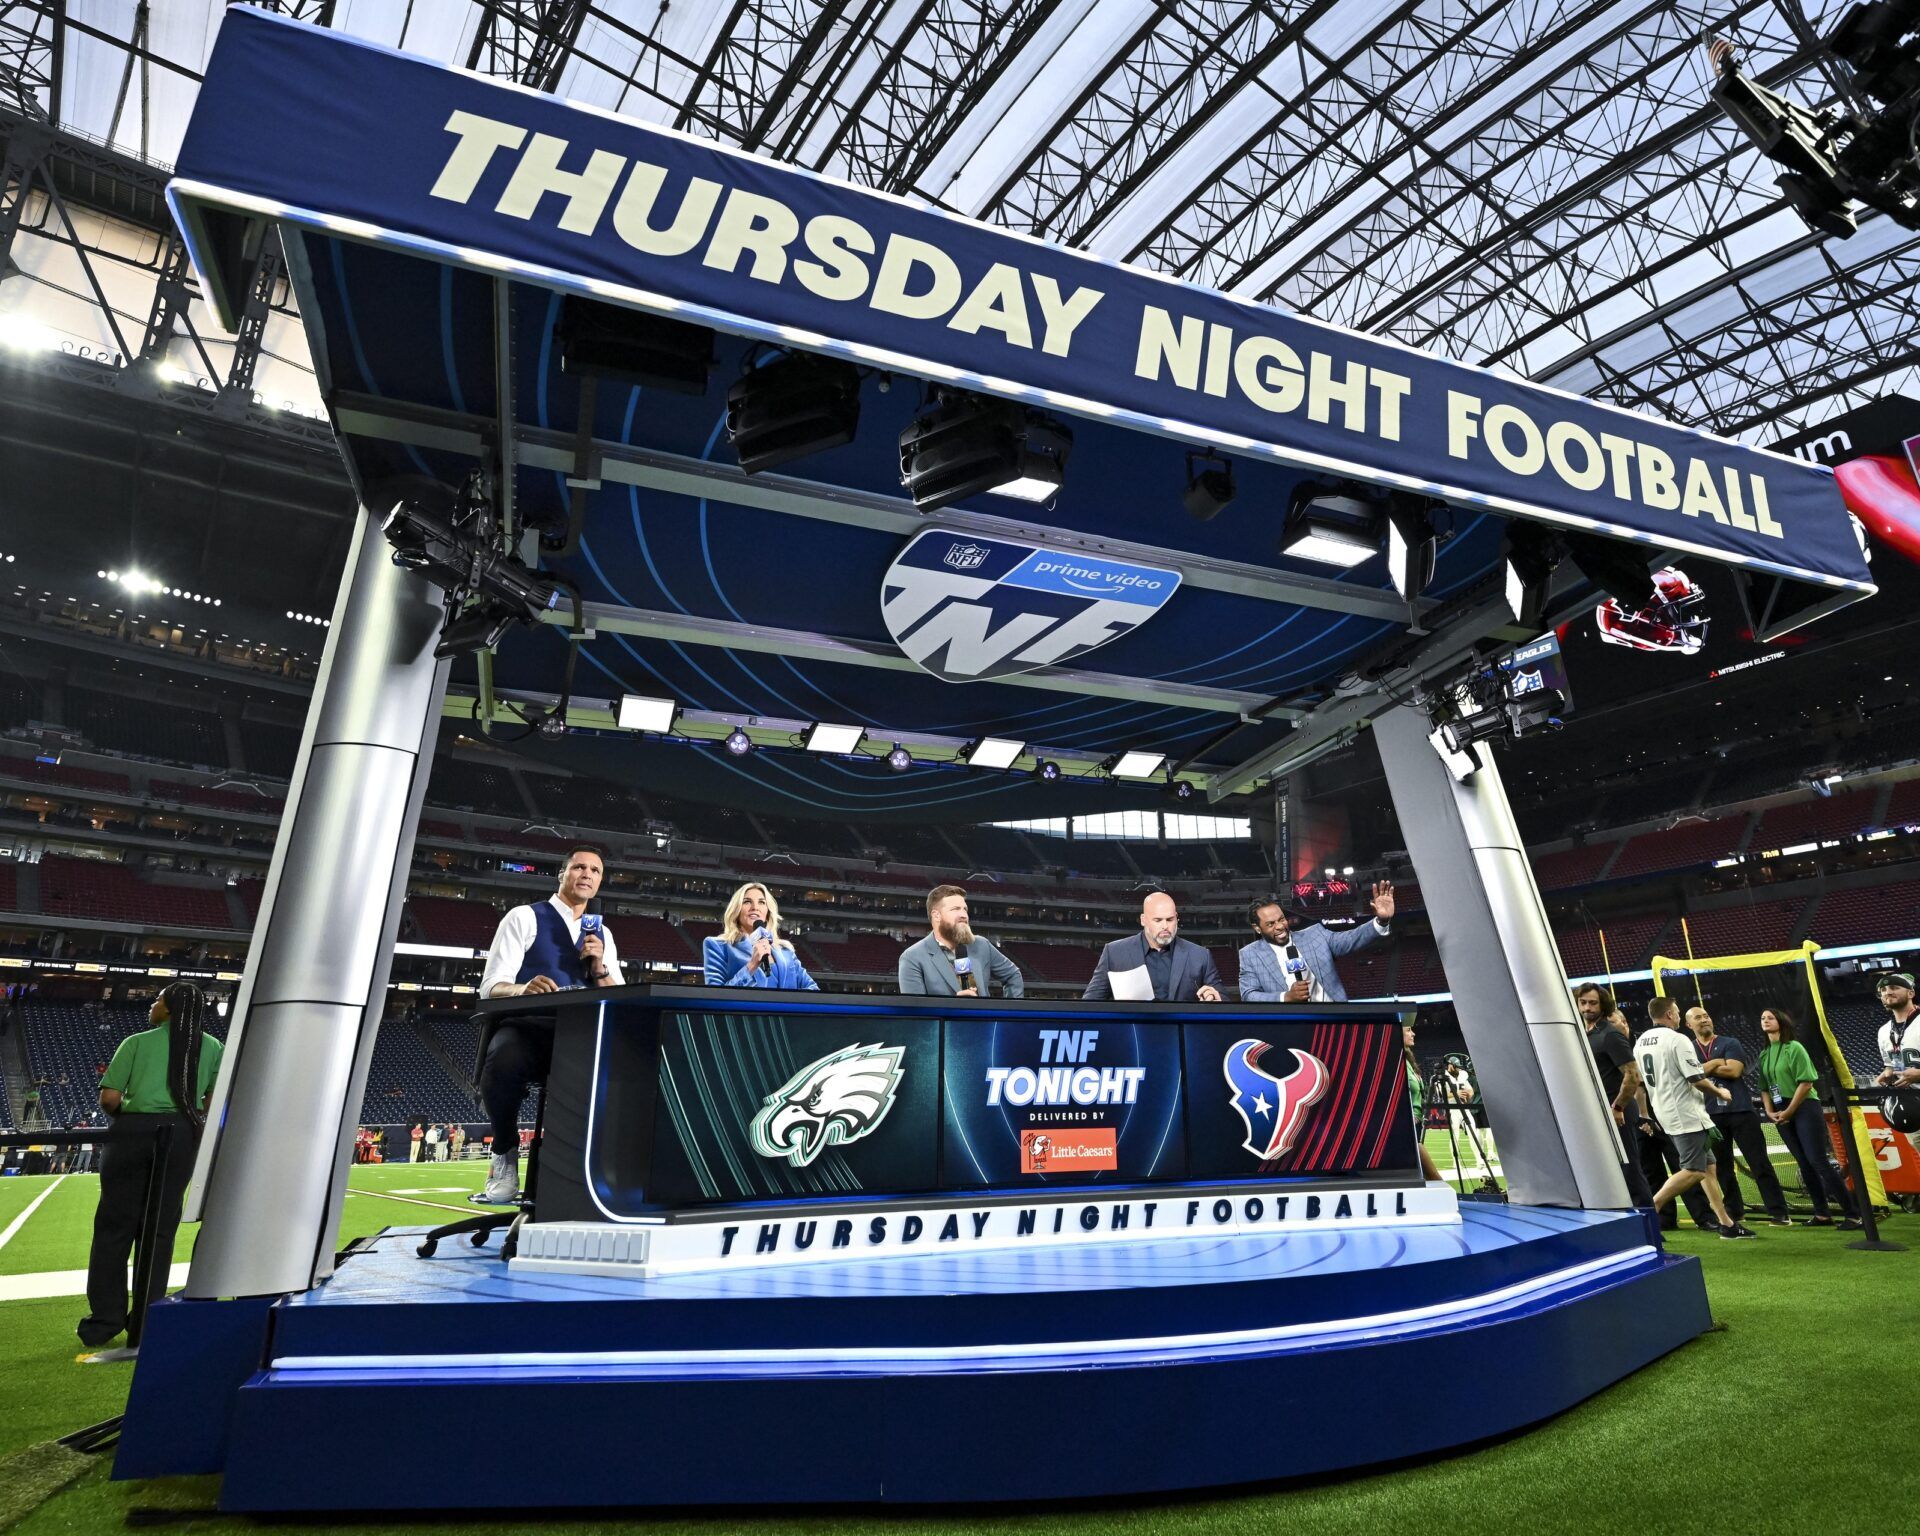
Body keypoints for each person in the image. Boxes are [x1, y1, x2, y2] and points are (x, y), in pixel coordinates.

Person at [78, 982, 224, 1351]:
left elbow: (110, 1097)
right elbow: (210, 1099)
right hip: (181, 1134)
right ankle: (146, 1322)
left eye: (158, 999)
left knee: (114, 1226)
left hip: (133, 1131)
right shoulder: (212, 1047)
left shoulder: (137, 1042)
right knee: (159, 1231)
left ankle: (104, 1322)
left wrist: (131, 1115)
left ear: (169, 1008)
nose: (153, 1004)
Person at [475, 845, 625, 1205]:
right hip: (529, 1025)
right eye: (579, 867)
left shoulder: (603, 936)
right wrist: (523, 988)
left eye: (595, 871)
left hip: (581, 1031)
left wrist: (600, 966)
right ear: (563, 874)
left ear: (600, 882)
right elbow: (491, 985)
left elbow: (617, 995)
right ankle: (504, 1150)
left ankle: (591, 1168)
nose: (587, 874)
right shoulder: (524, 917)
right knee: (503, 1062)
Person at [1635, 996, 1749, 1238]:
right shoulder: (1677, 1039)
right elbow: (1695, 1078)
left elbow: (1640, 1082)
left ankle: (1726, 1224)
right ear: (1669, 1015)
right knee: (1694, 1170)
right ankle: (1648, 1210)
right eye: (1676, 1013)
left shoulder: (1641, 1041)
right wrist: (1720, 1091)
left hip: (1667, 1110)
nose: (1677, 1017)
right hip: (1684, 1113)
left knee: (1708, 1167)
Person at [1687, 1004, 1791, 1227]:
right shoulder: (1688, 1048)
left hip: (1741, 1111)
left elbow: (1734, 1071)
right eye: (1698, 1017)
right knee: (1722, 1168)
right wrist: (1717, 1063)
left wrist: (1705, 1067)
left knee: (1759, 1163)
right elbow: (1690, 1075)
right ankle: (1735, 1212)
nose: (1704, 1020)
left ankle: (1779, 1212)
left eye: (1706, 1015)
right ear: (1689, 1024)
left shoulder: (1730, 1042)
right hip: (1711, 1114)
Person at [1758, 1006, 1861, 1229]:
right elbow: (1764, 1088)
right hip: (1780, 1109)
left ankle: (1854, 1213)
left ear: (1781, 1021)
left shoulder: (1794, 1048)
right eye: (1762, 1018)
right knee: (1804, 1163)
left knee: (1817, 1160)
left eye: (1770, 1017)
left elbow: (1806, 1083)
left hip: (1804, 1106)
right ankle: (1822, 1214)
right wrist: (1769, 1111)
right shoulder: (1764, 1054)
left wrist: (1789, 1110)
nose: (1765, 1020)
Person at [1236, 884, 1395, 1002]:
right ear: (1257, 928)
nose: (1279, 926)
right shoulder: (1249, 955)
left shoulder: (1315, 935)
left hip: (1334, 1019)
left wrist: (1381, 920)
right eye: (1270, 924)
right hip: (1292, 1028)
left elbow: (1351, 939)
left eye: (1281, 919)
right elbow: (1249, 995)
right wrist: (1286, 997)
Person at [1576, 983, 1655, 1205]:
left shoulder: (1610, 1035)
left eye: (1593, 1003)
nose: (1587, 1007)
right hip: (1597, 1110)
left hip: (1616, 1110)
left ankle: (1649, 1227)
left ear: (1603, 1005)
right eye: (1583, 1002)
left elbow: (1632, 1075)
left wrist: (1618, 1106)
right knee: (1605, 1169)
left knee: (1629, 1168)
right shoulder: (1584, 1034)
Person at [1083, 892, 1222, 1003]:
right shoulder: (1114, 953)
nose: (1165, 926)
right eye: (1158, 920)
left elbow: (1222, 1000)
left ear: (1176, 918)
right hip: (1133, 1034)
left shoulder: (1201, 956)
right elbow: (1090, 1004)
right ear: (1143, 920)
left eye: (1170, 919)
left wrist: (1215, 1000)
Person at [898, 885, 1024, 998]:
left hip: (983, 1023)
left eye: (965, 909)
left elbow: (1013, 975)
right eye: (956, 909)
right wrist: (956, 1008)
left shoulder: (981, 945)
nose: (964, 915)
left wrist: (1011, 1014)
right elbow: (915, 1010)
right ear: (936, 915)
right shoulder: (912, 957)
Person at [703, 882, 820, 990]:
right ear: (737, 910)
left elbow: (812, 989)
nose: (755, 907)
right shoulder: (718, 946)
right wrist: (752, 965)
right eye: (747, 901)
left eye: (762, 902)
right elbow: (715, 996)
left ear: (768, 913)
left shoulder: (786, 951)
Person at [1873, 971, 1920, 1158]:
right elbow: (1892, 1065)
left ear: (1910, 993)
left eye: (1894, 987)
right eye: (1883, 990)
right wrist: (1888, 1073)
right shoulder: (1884, 1032)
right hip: (1912, 1104)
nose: (1887, 992)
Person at [1403, 1023, 1442, 1183]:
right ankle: (1442, 1188)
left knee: (1419, 1173)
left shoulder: (1409, 1060)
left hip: (1417, 1121)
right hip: (1407, 1123)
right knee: (1428, 1173)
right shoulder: (1396, 1060)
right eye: (1408, 1030)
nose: (1413, 1033)